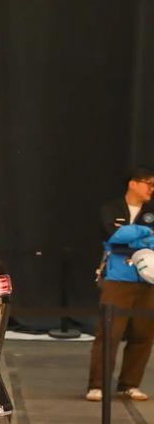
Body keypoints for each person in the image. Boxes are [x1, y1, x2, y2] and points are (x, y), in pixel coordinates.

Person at [86, 165, 154, 400]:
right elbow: (113, 237)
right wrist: (145, 233)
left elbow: (128, 237)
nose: (152, 189)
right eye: (149, 183)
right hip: (117, 278)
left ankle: (129, 384)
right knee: (109, 332)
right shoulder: (110, 209)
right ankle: (97, 385)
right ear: (133, 183)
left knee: (143, 334)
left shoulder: (152, 209)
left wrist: (131, 234)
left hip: (148, 279)